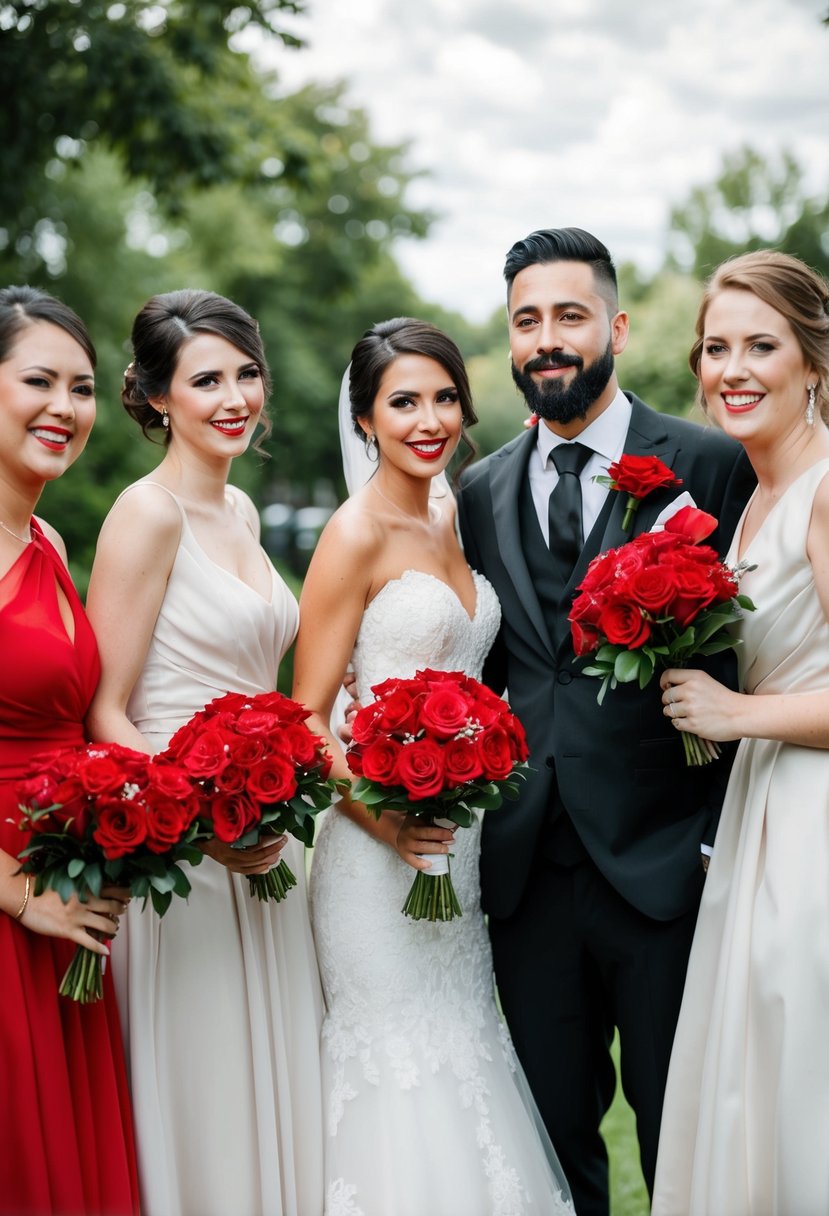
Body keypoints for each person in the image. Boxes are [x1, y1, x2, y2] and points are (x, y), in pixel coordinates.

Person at [455, 228, 756, 1216]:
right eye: (526, 321)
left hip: (668, 865)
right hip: (527, 869)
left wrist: (721, 835)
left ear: (616, 327)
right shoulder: (478, 490)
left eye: (569, 316)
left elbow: (755, 651)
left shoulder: (707, 465)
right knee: (549, 1141)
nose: (548, 339)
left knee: (683, 1135)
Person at [293, 317, 574, 1216]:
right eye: (403, 401)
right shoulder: (354, 533)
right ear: (365, 419)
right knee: (398, 1059)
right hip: (374, 852)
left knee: (464, 1035)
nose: (429, 419)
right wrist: (390, 822)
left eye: (445, 397)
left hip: (461, 841)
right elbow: (308, 720)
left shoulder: (455, 512)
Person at [85, 290, 324, 1216]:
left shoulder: (244, 515)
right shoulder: (145, 516)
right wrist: (197, 818)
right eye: (206, 379)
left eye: (245, 373)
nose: (234, 397)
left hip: (265, 840)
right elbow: (107, 705)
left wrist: (270, 801)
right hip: (187, 853)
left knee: (275, 1073)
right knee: (210, 1087)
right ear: (153, 396)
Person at [650, 250, 829, 1216]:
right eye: (716, 347)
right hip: (758, 809)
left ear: (813, 362)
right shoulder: (752, 493)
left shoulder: (824, 486)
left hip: (813, 824)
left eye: (762, 345)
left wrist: (735, 714)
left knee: (802, 1074)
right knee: (747, 1074)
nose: (733, 369)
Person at [0, 286, 139, 1215]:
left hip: (66, 897)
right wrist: (16, 891)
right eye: (38, 381)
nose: (65, 407)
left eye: (82, 388)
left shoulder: (48, 538)